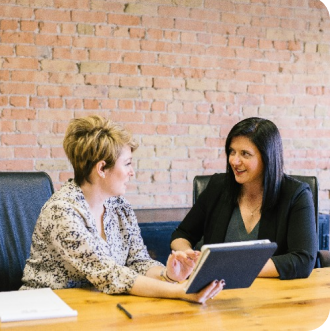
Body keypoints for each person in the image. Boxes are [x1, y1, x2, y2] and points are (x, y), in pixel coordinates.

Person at [20, 115, 224, 304]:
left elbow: (138, 262)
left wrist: (169, 275)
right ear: (101, 169)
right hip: (44, 309)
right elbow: (110, 274)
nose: (132, 172)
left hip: (97, 307)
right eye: (127, 164)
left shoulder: (120, 206)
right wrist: (181, 291)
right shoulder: (62, 212)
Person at [171, 117, 317, 280]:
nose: (234, 161)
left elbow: (303, 260)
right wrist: (187, 255)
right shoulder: (218, 186)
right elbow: (181, 234)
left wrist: (231, 267)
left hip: (272, 294)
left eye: (245, 154)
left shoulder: (296, 194)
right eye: (232, 152)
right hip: (216, 292)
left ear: (267, 157)